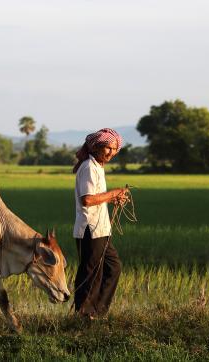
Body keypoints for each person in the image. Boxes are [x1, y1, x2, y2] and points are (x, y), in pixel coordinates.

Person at [72, 128, 128, 319]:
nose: (111, 153)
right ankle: (84, 315)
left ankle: (96, 312)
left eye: (114, 150)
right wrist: (113, 194)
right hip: (90, 229)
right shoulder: (88, 167)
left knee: (113, 268)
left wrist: (112, 198)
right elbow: (87, 200)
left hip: (101, 229)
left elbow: (97, 197)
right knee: (91, 274)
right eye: (108, 148)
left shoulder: (97, 167)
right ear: (97, 147)